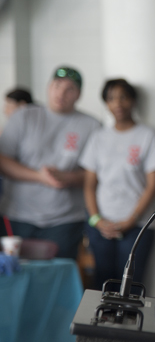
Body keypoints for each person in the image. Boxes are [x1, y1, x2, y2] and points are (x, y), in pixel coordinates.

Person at [0, 66, 100, 259]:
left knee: (56, 277)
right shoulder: (24, 116)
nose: (61, 93)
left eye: (69, 89)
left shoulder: (92, 125)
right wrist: (39, 176)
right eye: (57, 85)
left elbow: (96, 173)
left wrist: (68, 177)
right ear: (48, 87)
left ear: (79, 94)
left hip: (65, 219)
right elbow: (3, 160)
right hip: (17, 215)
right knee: (14, 276)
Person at [79, 79, 155, 289]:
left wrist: (131, 219)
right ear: (106, 104)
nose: (118, 103)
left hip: (137, 225)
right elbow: (89, 184)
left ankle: (129, 323)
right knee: (102, 283)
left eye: (123, 97)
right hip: (102, 224)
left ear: (133, 101)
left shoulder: (147, 136)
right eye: (111, 98)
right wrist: (96, 219)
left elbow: (153, 185)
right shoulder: (98, 138)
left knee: (132, 286)